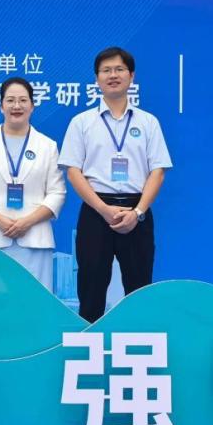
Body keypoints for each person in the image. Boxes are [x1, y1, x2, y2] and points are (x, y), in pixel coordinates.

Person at [58, 47, 172, 322]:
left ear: (131, 76)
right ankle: (89, 342)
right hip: (96, 210)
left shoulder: (148, 122)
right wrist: (103, 209)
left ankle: (139, 344)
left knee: (139, 287)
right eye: (106, 70)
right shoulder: (81, 122)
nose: (113, 75)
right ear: (97, 78)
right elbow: (73, 171)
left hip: (136, 210)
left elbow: (158, 171)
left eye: (119, 69)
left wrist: (138, 212)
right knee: (91, 286)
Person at [0, 77, 66, 290]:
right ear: (1, 106)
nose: (16, 106)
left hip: (35, 239)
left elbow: (57, 193)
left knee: (34, 301)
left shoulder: (47, 145)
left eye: (23, 100)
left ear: (32, 105)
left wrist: (27, 222)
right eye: (10, 100)